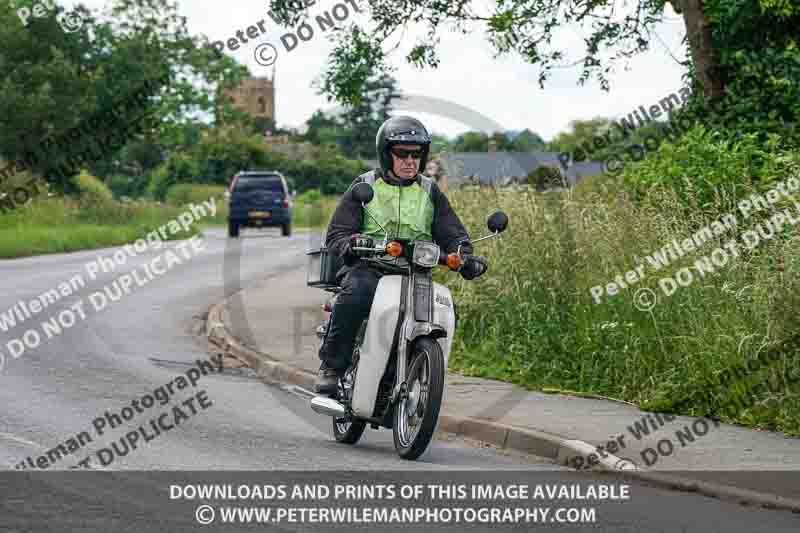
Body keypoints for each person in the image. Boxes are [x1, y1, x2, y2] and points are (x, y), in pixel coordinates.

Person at [315, 115, 489, 394]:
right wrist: (353, 242)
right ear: (386, 154)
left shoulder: (430, 191)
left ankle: (417, 370)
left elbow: (452, 232)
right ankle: (333, 367)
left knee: (443, 308)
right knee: (356, 294)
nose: (410, 161)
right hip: (370, 267)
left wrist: (465, 255)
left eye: (416, 154)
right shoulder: (365, 185)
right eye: (402, 154)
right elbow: (337, 234)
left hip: (415, 272)